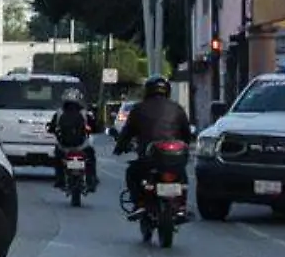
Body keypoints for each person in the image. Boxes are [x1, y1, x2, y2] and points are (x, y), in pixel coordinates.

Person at [115, 76, 193, 206]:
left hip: (150, 158)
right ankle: (181, 204)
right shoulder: (177, 108)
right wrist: (184, 146)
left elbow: (127, 132)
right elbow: (187, 133)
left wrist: (120, 146)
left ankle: (139, 203)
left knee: (131, 173)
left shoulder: (138, 108)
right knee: (181, 173)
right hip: (173, 158)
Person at [46, 88, 98, 192]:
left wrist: (52, 130)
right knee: (91, 159)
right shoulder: (84, 113)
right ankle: (91, 180)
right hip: (81, 145)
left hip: (64, 146)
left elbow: (51, 127)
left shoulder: (59, 113)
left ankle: (60, 180)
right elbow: (95, 126)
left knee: (57, 159)